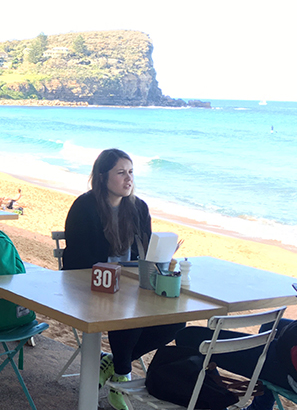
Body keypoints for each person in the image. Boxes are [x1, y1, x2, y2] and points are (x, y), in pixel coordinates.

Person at [63, 149, 177, 410]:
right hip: (88, 284)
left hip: (129, 284)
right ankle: (121, 377)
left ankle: (113, 366)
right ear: (103, 177)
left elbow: (147, 251)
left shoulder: (138, 208)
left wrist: (161, 259)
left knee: (176, 319)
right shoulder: (85, 207)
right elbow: (79, 260)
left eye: (131, 172)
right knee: (129, 312)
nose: (129, 179)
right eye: (121, 173)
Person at [174, 286, 297, 410]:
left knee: (190, 338)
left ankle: (217, 400)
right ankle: (260, 407)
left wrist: (293, 347)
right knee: (270, 326)